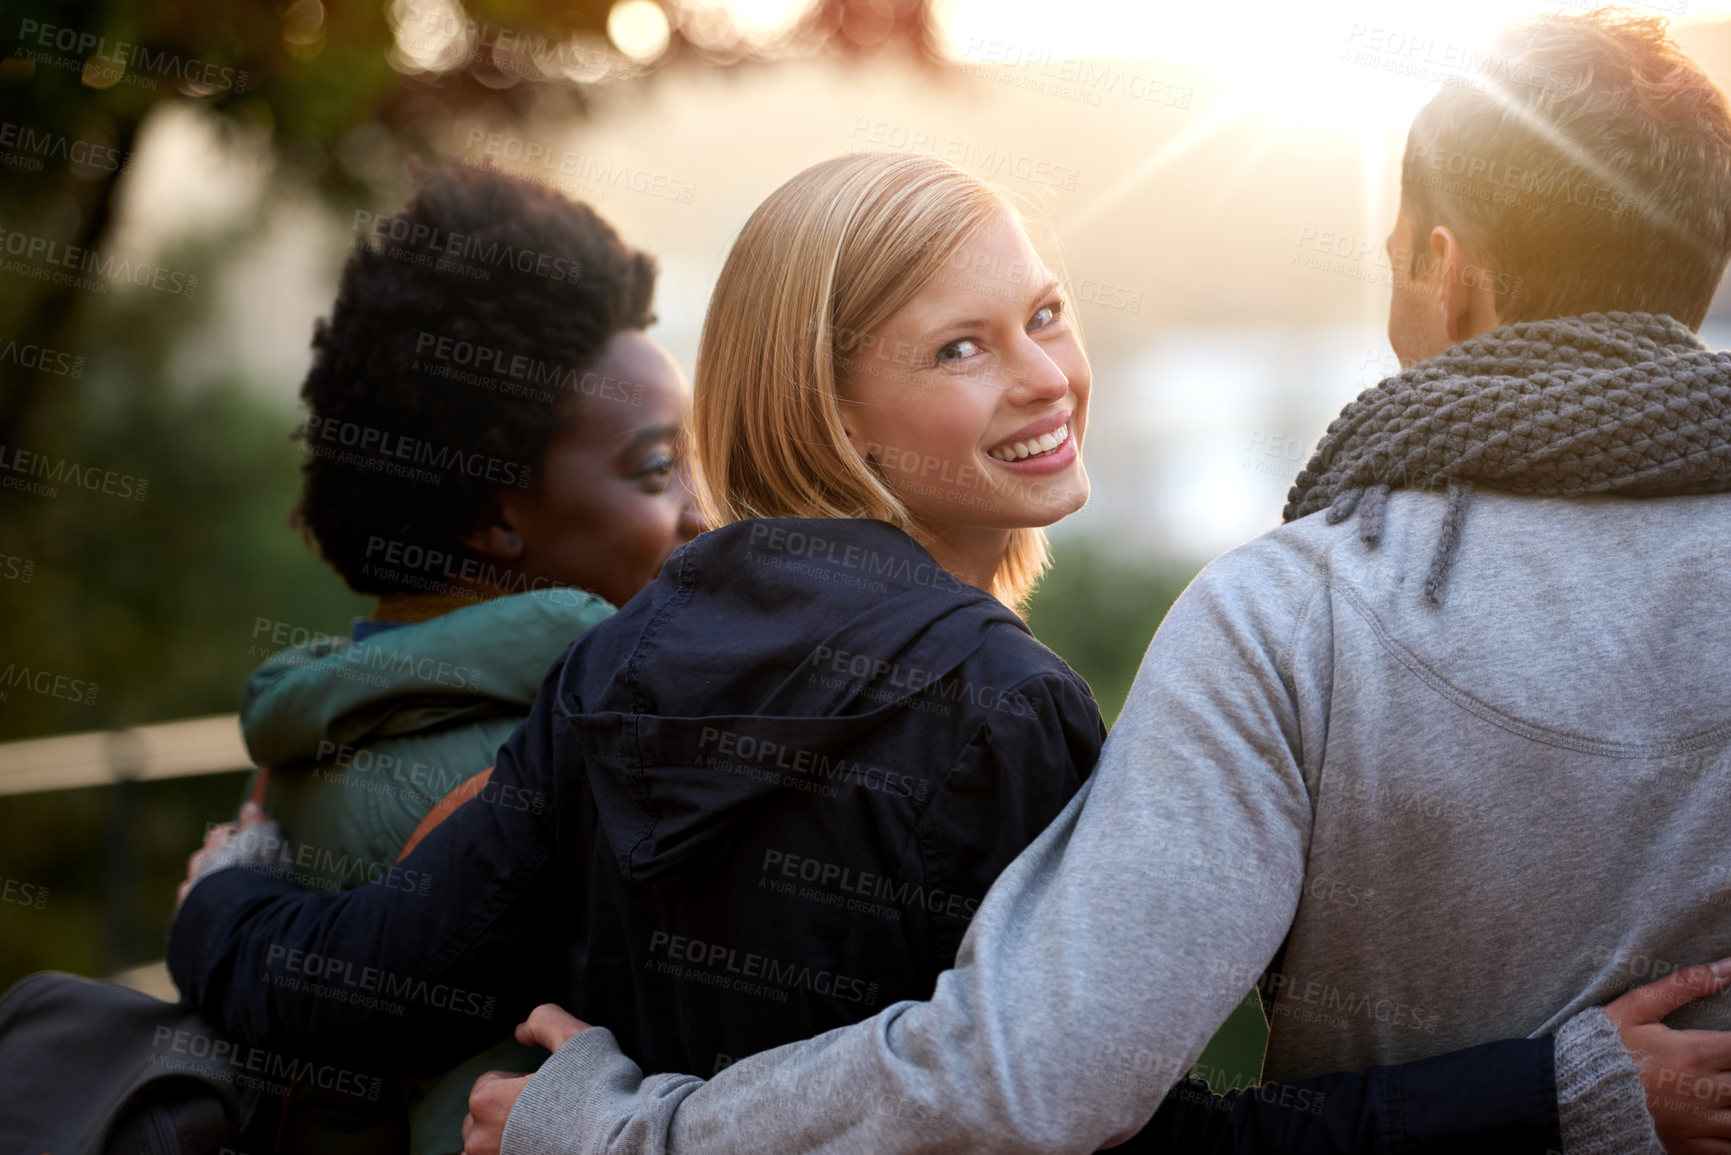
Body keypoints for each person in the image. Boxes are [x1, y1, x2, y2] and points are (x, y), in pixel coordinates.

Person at [176, 150, 1708, 1155]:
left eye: (1044, 312)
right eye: (961, 348)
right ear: (832, 416)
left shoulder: (616, 662)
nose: (1046, 375)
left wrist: (227, 898)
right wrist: (1544, 1094)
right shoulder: (1002, 705)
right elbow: (1098, 1127)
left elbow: (364, 984)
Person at [197, 162, 704, 1154]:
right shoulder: (567, 760)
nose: (703, 511)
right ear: (491, 518)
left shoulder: (310, 733)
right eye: (655, 469)